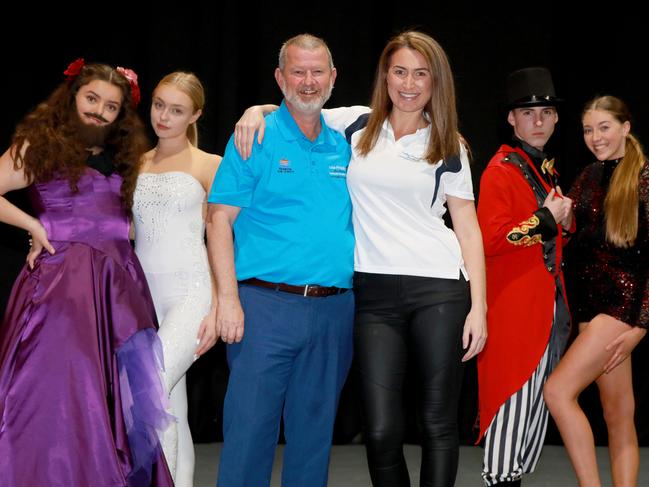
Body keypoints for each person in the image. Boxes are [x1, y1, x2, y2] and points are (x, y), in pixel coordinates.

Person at [234, 30, 487, 487]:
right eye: (399, 71)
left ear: (435, 82)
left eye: (420, 74)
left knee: (436, 423)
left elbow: (467, 226)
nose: (408, 83)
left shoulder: (450, 144)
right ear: (385, 76)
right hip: (372, 293)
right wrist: (256, 109)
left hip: (439, 289)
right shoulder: (356, 124)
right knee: (381, 430)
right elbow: (298, 104)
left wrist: (480, 308)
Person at [0, 59, 173, 486]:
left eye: (110, 106)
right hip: (61, 291)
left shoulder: (124, 156)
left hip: (117, 292)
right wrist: (33, 226)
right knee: (58, 394)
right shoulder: (38, 144)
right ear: (73, 95)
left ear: (120, 115)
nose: (98, 111)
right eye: (91, 98)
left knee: (112, 400)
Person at [207, 34, 354, 487]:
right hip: (265, 307)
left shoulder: (348, 144)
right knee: (250, 435)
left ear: (332, 78)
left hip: (334, 310)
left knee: (313, 441)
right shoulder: (256, 137)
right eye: (297, 71)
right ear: (279, 78)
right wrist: (227, 300)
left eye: (317, 72)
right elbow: (217, 221)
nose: (307, 82)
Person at [543, 95, 648, 487]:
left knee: (558, 392)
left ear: (626, 127)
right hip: (590, 311)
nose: (595, 137)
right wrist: (565, 220)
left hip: (621, 310)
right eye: (588, 129)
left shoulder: (644, 178)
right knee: (617, 415)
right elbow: (576, 238)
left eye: (604, 127)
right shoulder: (588, 176)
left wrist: (639, 327)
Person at [476, 66, 573, 486]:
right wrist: (547, 219)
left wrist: (561, 223)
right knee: (509, 412)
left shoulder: (543, 170)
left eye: (546, 112)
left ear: (555, 119)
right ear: (511, 119)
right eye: (527, 113)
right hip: (514, 312)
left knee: (529, 423)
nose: (538, 121)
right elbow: (491, 240)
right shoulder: (500, 170)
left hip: (544, 312)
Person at [132, 71, 220, 486]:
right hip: (141, 296)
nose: (164, 116)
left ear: (195, 114)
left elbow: (225, 240)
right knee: (170, 406)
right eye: (159, 105)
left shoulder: (210, 165)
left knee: (149, 390)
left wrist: (221, 305)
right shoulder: (134, 164)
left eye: (177, 110)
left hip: (191, 293)